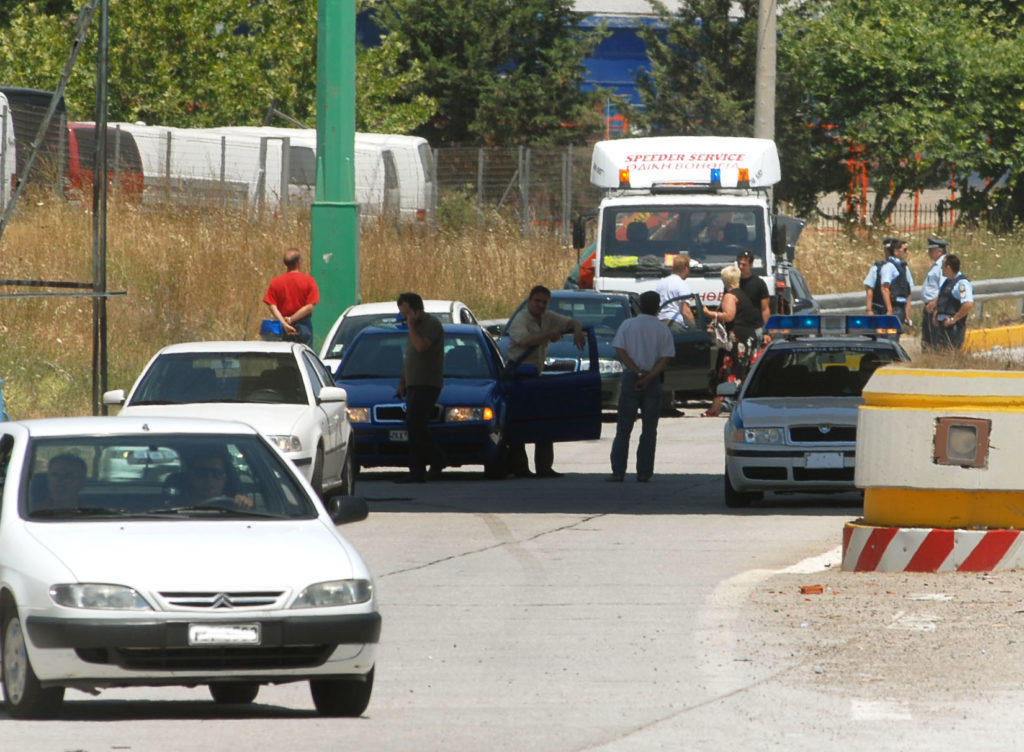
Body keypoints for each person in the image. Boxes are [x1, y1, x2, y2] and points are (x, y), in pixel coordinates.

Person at [506, 285, 586, 478]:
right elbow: (524, 341)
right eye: (537, 301)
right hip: (517, 375)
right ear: (529, 300)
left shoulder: (549, 317)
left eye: (544, 302)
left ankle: (544, 467)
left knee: (543, 421)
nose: (540, 305)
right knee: (518, 422)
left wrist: (577, 330)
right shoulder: (520, 319)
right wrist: (548, 335)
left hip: (536, 376)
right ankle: (520, 468)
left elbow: (572, 321)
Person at [608, 291, 676, 483]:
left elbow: (620, 350)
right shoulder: (662, 329)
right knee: (649, 429)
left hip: (631, 378)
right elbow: (666, 358)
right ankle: (644, 472)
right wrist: (649, 377)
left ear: (639, 305)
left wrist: (636, 372)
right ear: (658, 307)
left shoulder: (628, 324)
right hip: (653, 380)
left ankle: (618, 471)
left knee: (624, 427)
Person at [396, 291, 446, 483]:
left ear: (417, 311)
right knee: (414, 426)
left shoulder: (430, 325)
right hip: (413, 383)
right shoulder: (413, 328)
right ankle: (420, 468)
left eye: (406, 313)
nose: (404, 317)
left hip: (427, 383)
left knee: (417, 425)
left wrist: (411, 326)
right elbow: (410, 358)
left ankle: (436, 460)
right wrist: (402, 382)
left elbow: (421, 347)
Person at [703, 265, 762, 417]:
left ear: (725, 280)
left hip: (736, 340)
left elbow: (729, 316)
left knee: (726, 371)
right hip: (746, 338)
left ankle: (715, 408)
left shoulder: (730, 296)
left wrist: (710, 314)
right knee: (741, 372)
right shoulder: (742, 294)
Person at [263, 248, 320, 345]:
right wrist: (291, 319)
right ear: (299, 262)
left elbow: (272, 306)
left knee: (284, 358)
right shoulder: (309, 281)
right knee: (303, 356)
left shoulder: (276, 282)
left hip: (282, 327)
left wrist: (284, 323)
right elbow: (309, 307)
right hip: (303, 326)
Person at [179, 450, 254, 509]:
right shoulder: (174, 509)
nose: (209, 479)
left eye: (216, 473)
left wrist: (245, 505)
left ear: (225, 478)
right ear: (191, 476)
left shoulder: (236, 505)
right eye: (202, 473)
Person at [932, 254, 974, 350]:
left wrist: (953, 319)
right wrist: (936, 313)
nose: (941, 268)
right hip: (942, 325)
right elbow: (943, 299)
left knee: (950, 356)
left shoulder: (962, 284)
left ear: (948, 267)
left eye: (943, 265)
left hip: (953, 328)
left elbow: (968, 304)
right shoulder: (947, 281)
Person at [920, 237, 949, 351]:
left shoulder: (943, 265)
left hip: (935, 306)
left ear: (940, 251)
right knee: (927, 338)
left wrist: (934, 303)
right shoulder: (936, 265)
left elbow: (944, 287)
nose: (929, 253)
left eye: (931, 250)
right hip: (929, 305)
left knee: (935, 338)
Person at [656, 253, 696, 331]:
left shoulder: (661, 283)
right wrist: (695, 330)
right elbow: (685, 312)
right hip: (673, 325)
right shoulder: (682, 285)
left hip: (658, 324)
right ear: (686, 268)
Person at [736, 249, 771, 331]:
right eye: (739, 264)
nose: (741, 267)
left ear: (751, 265)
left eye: (744, 265)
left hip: (756, 328)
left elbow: (765, 309)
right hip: (737, 328)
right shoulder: (733, 283)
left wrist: (767, 331)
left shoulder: (759, 283)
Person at [864, 237, 898, 314]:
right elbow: (869, 287)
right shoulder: (877, 267)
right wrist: (869, 309)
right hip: (880, 308)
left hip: (897, 307)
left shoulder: (902, 267)